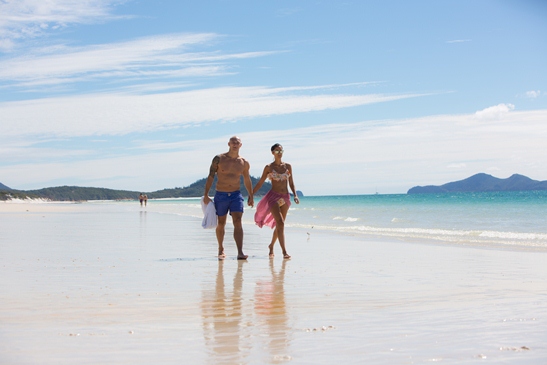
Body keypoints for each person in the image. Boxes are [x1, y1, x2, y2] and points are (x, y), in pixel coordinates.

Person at [204, 136, 254, 260]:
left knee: (238, 221)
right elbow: (210, 176)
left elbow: (247, 179)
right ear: (229, 144)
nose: (235, 144)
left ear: (241, 145)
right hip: (221, 194)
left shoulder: (244, 162)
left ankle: (240, 252)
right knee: (221, 223)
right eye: (233, 142)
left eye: (237, 142)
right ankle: (221, 249)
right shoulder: (219, 159)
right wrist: (206, 194)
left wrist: (251, 195)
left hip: (236, 195)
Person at [253, 143, 299, 259]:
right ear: (272, 153)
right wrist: (251, 194)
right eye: (277, 151)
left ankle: (271, 246)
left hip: (285, 197)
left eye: (281, 151)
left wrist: (295, 195)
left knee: (280, 225)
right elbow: (260, 182)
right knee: (281, 223)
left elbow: (291, 182)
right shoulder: (269, 167)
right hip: (273, 197)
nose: (280, 153)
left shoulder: (288, 166)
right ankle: (284, 251)